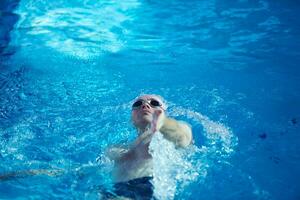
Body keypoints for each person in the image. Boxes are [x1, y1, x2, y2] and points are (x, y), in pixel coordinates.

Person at [105, 94, 193, 199]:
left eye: (154, 103)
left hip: (148, 189)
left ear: (164, 112)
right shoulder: (117, 149)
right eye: (138, 104)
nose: (145, 106)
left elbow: (183, 136)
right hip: (114, 191)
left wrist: (163, 123)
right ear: (131, 118)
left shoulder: (163, 140)